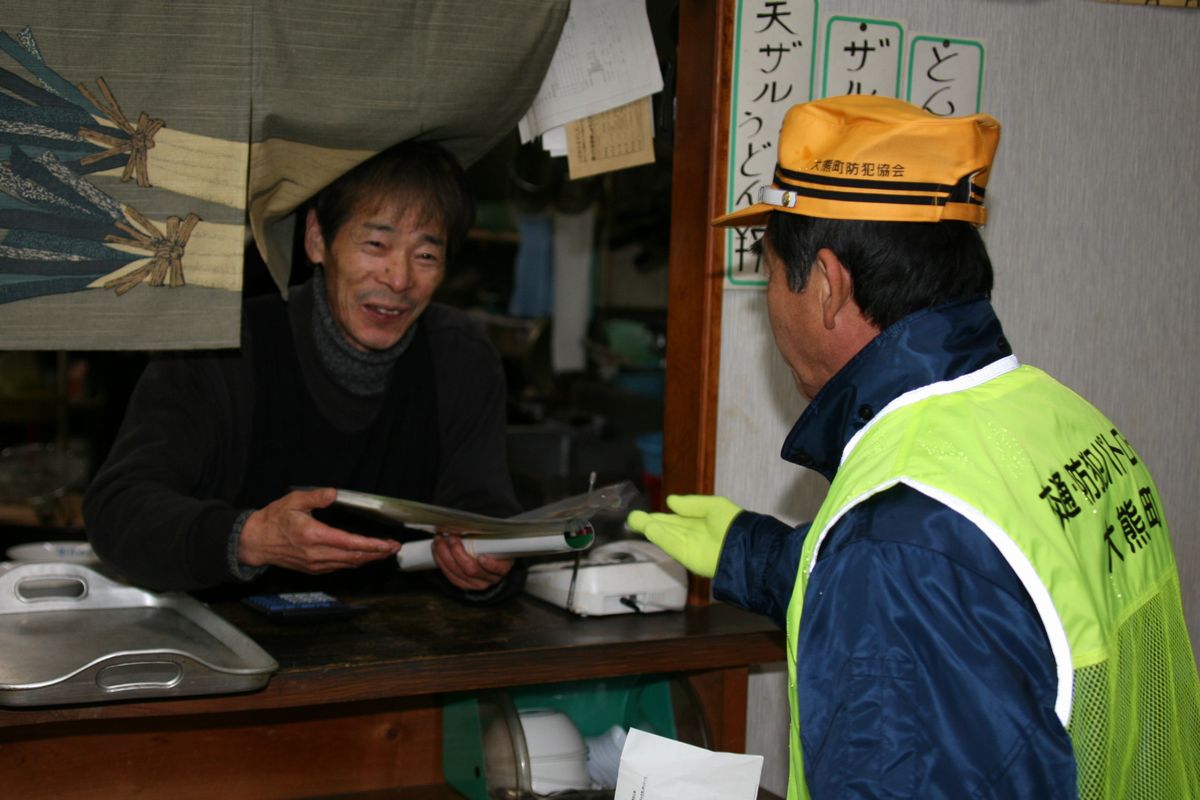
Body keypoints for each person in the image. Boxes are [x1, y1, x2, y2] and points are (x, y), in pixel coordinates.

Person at [628, 95, 1200, 799]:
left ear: (829, 286)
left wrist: (857, 561)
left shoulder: (894, 546)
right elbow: (983, 600)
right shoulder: (1069, 423)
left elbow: (919, 581)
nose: (769, 300)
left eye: (772, 275)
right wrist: (753, 554)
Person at [85, 140, 522, 601]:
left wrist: (485, 564)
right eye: (376, 244)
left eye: (426, 255)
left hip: (399, 648)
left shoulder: (461, 357)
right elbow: (119, 511)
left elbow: (482, 508)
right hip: (228, 643)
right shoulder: (220, 349)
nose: (399, 279)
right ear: (316, 238)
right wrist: (248, 537)